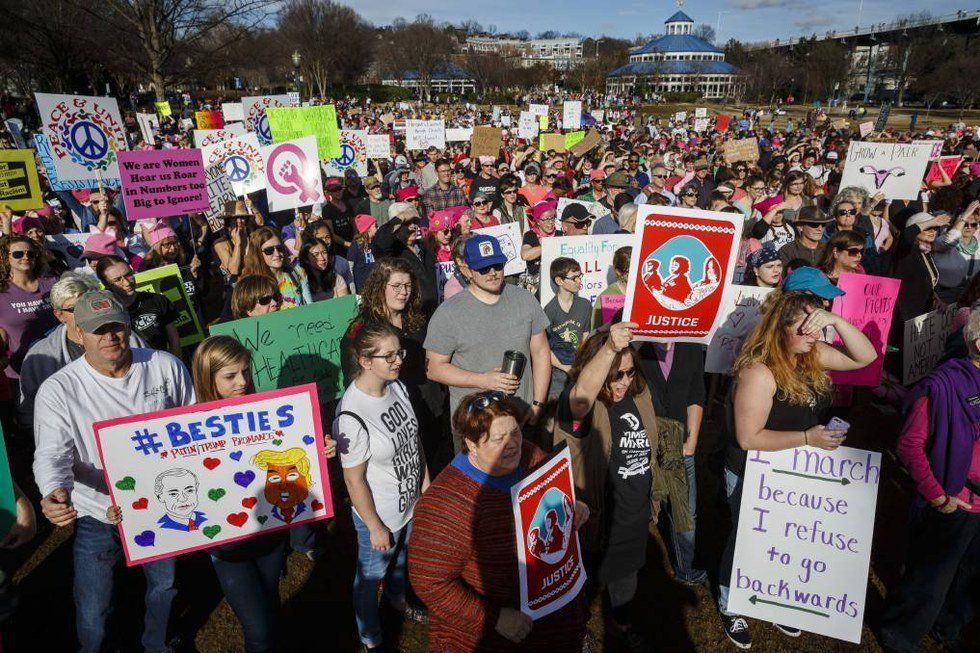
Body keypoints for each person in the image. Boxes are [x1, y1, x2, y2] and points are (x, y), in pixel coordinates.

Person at [33, 290, 194, 653]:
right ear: (79, 334)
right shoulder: (59, 390)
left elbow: (191, 419)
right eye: (97, 329)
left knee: (164, 585)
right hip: (97, 509)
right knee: (94, 603)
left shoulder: (164, 365)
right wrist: (53, 491)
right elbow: (52, 453)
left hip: (160, 504)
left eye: (115, 326)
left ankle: (157, 643)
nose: (109, 336)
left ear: (127, 326)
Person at [716, 290, 876, 648]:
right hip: (753, 470)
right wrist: (808, 437)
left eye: (816, 328)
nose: (813, 335)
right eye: (804, 329)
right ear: (780, 330)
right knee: (746, 538)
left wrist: (835, 320)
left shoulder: (813, 354)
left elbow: (866, 356)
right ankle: (730, 602)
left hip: (795, 470)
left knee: (785, 538)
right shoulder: (759, 372)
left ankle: (774, 597)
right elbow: (747, 437)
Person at [408, 391, 588, 652]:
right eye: (498, 438)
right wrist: (494, 617)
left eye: (515, 431)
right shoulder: (446, 504)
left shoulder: (529, 456)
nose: (512, 443)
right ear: (471, 444)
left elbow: (556, 494)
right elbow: (430, 583)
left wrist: (574, 506)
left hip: (550, 623)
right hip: (491, 638)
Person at [879, 307, 980, 653]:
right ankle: (900, 632)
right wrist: (939, 496)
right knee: (930, 578)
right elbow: (909, 445)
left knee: (968, 576)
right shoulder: (940, 385)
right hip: (956, 499)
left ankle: (948, 625)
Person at [553, 322, 659, 649]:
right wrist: (611, 349)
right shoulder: (581, 406)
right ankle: (577, 632)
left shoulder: (638, 393)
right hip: (596, 517)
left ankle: (620, 624)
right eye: (616, 374)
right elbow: (582, 396)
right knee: (583, 584)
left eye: (629, 373)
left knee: (626, 574)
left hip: (633, 512)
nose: (624, 382)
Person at [335, 322, 428, 652]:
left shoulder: (397, 387)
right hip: (380, 515)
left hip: (410, 503)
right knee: (370, 577)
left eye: (398, 352)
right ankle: (370, 637)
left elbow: (412, 439)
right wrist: (374, 526)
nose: (397, 360)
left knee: (403, 560)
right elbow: (353, 480)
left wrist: (424, 486)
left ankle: (398, 600)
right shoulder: (352, 415)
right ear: (364, 360)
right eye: (388, 355)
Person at [425, 234, 551, 448]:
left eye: (497, 266)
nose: (492, 273)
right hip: (476, 429)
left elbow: (541, 352)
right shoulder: (448, 313)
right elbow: (433, 369)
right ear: (468, 271)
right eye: (483, 268)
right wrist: (483, 380)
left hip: (522, 420)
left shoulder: (525, 299)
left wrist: (538, 403)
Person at [341, 259, 445, 466]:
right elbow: (354, 381)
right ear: (380, 286)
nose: (404, 292)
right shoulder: (363, 329)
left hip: (433, 409)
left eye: (407, 285)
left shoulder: (415, 316)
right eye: (396, 286)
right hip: (395, 419)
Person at [18, 274, 146, 431]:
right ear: (59, 315)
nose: (83, 314)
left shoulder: (128, 339)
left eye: (87, 306)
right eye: (75, 309)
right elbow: (30, 411)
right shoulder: (39, 356)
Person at [636, 336, 707, 589]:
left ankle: (685, 569)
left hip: (679, 442)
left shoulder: (690, 345)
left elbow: (696, 393)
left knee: (684, 511)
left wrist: (691, 443)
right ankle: (628, 570)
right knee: (636, 509)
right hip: (641, 443)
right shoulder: (637, 346)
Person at [0, 235, 58, 399]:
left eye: (30, 254)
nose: (25, 257)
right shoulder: (1, 293)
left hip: (61, 367)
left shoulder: (53, 283)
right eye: (18, 254)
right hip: (22, 374)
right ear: (6, 258)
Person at [96, 256, 181, 355]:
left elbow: (174, 340)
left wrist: (175, 363)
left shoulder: (158, 300)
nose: (127, 283)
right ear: (107, 284)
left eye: (128, 275)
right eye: (118, 280)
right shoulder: (105, 314)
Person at [373, 202, 438, 316]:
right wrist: (401, 217)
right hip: (410, 315)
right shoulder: (393, 253)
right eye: (407, 222)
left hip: (434, 311)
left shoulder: (424, 246)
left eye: (415, 222)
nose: (413, 226)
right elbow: (379, 243)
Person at [544, 257, 592, 399]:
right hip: (558, 374)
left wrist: (580, 364)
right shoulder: (549, 311)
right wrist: (565, 368)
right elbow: (545, 348)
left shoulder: (585, 305)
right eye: (574, 278)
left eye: (580, 276)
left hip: (580, 368)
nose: (579, 281)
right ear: (559, 281)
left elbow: (585, 335)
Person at [241, 227, 311, 309]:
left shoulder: (297, 272)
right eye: (269, 250)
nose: (277, 254)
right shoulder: (251, 285)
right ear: (258, 253)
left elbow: (310, 307)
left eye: (279, 248)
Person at [933, 199, 980, 303]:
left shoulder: (978, 244)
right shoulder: (944, 241)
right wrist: (963, 217)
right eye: (965, 224)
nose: (969, 227)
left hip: (968, 296)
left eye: (973, 225)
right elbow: (950, 240)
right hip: (943, 296)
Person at [520, 200, 558, 297]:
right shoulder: (530, 235)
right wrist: (546, 245)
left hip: (555, 280)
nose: (550, 222)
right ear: (538, 221)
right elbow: (525, 255)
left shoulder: (559, 234)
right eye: (545, 219)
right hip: (535, 283)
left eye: (552, 218)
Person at [591, 246, 632, 329]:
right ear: (618, 272)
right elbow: (594, 334)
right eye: (630, 271)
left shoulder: (646, 291)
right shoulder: (606, 297)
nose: (636, 274)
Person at [777, 205, 828, 270]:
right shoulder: (787, 251)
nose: (820, 229)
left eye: (823, 225)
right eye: (815, 224)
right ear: (800, 227)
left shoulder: (828, 250)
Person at [348, 214, 377, 290]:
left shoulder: (374, 244)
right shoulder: (355, 246)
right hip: (362, 288)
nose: (377, 228)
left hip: (375, 286)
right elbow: (350, 268)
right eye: (375, 226)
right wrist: (353, 290)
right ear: (368, 229)